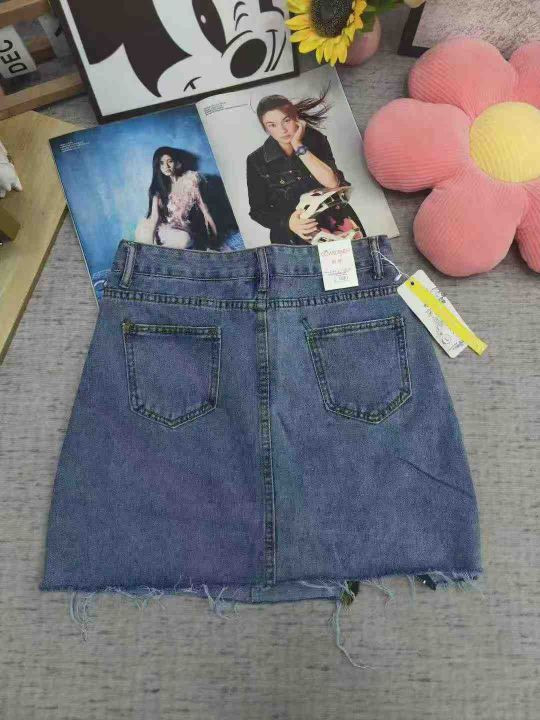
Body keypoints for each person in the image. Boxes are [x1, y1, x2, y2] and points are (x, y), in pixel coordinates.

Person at [246, 90, 364, 245]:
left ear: (296, 118)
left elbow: (331, 182)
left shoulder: (315, 140)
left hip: (338, 224)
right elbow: (258, 211)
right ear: (266, 128)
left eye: (286, 121)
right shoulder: (256, 161)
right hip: (294, 237)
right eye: (272, 125)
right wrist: (289, 222)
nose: (282, 130)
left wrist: (298, 145)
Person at [135, 146, 217, 248]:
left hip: (181, 230)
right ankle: (157, 248)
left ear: (177, 163)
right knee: (147, 236)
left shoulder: (190, 181)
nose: (166, 166)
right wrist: (151, 246)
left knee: (186, 239)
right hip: (162, 229)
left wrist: (215, 238)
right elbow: (155, 217)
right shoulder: (158, 188)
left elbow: (205, 211)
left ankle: (162, 249)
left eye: (170, 161)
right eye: (161, 163)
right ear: (158, 167)